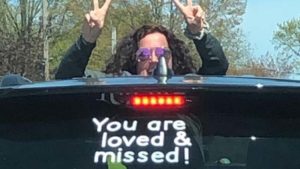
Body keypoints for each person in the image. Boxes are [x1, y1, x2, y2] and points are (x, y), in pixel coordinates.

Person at [55, 0, 228, 79]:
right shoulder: (115, 87)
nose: (153, 60)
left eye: (162, 53)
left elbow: (217, 67)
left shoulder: (189, 85)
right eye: (144, 54)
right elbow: (67, 78)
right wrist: (86, 41)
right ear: (134, 59)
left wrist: (200, 34)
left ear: (173, 57)